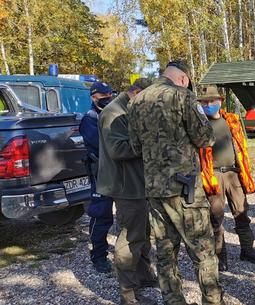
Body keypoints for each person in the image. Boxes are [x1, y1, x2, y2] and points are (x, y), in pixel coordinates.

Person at [128, 60, 224, 305]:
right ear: (183, 78)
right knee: (203, 252)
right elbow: (205, 138)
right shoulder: (183, 96)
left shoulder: (136, 101)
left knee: (165, 251)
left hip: (155, 189)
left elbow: (135, 146)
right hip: (185, 189)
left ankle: (173, 301)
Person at [97, 78, 157, 305]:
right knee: (130, 238)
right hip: (125, 186)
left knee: (143, 233)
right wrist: (150, 140)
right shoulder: (114, 114)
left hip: (138, 183)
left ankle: (144, 276)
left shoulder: (128, 109)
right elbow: (118, 149)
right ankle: (128, 294)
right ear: (135, 92)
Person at [197, 85, 255, 271]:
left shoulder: (232, 120)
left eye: (211, 101)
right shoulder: (198, 124)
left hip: (234, 173)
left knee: (242, 212)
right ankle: (221, 257)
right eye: (204, 102)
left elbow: (241, 146)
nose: (208, 105)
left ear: (219, 101)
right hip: (213, 175)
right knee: (216, 217)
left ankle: (247, 250)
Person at [80, 81, 115, 274]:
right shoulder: (90, 118)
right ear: (94, 97)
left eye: (110, 94)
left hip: (117, 172)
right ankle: (99, 255)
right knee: (101, 214)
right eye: (104, 96)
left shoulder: (111, 114)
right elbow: (102, 146)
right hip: (100, 173)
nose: (108, 97)